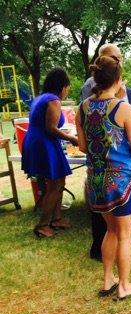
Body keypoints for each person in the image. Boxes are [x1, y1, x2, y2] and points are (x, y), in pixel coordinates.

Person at [75, 55, 131, 299]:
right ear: (118, 79)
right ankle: (124, 286)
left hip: (96, 180)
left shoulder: (82, 108)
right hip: (122, 180)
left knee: (111, 230)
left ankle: (108, 281)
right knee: (125, 234)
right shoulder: (123, 108)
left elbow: (83, 146)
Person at [21, 68, 78, 238]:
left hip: (38, 141)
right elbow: (51, 128)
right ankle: (42, 225)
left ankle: (56, 219)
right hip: (44, 143)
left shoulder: (41, 98)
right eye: (67, 87)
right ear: (62, 86)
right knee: (55, 185)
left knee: (58, 181)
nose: (67, 91)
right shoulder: (54, 100)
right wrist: (72, 138)